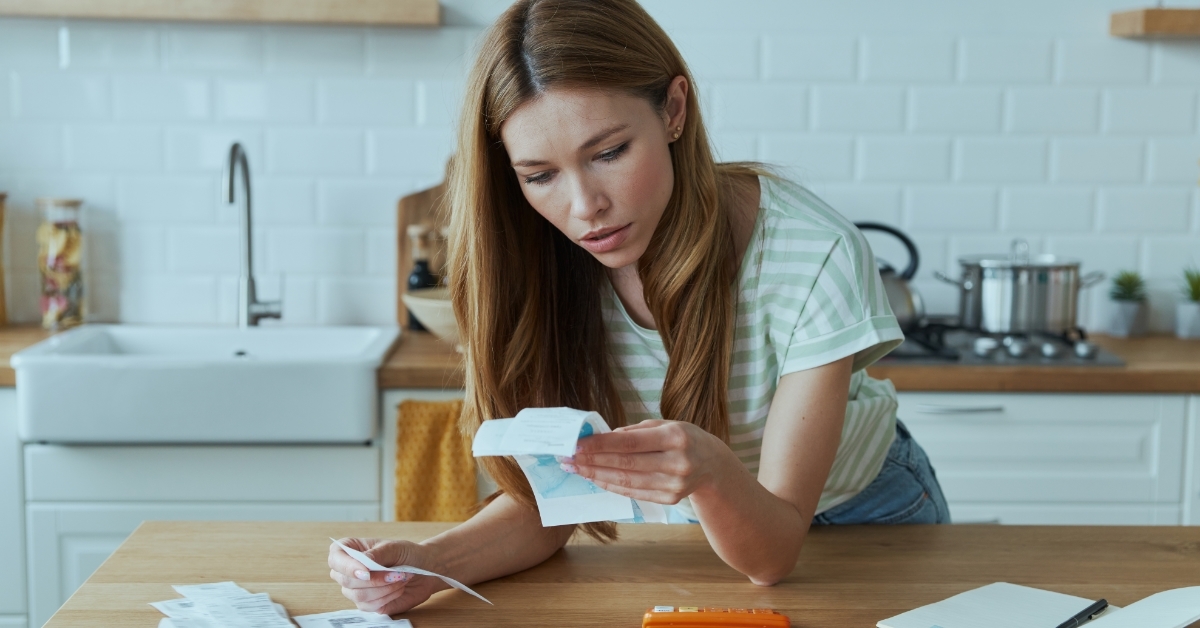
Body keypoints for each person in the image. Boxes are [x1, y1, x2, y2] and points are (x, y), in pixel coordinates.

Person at [329, 0, 949, 615]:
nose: (584, 206)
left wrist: (707, 468)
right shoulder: (535, 263)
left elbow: (772, 553)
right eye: (540, 175)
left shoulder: (812, 251)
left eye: (608, 153)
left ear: (673, 110)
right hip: (705, 532)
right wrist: (426, 565)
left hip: (867, 516)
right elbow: (553, 502)